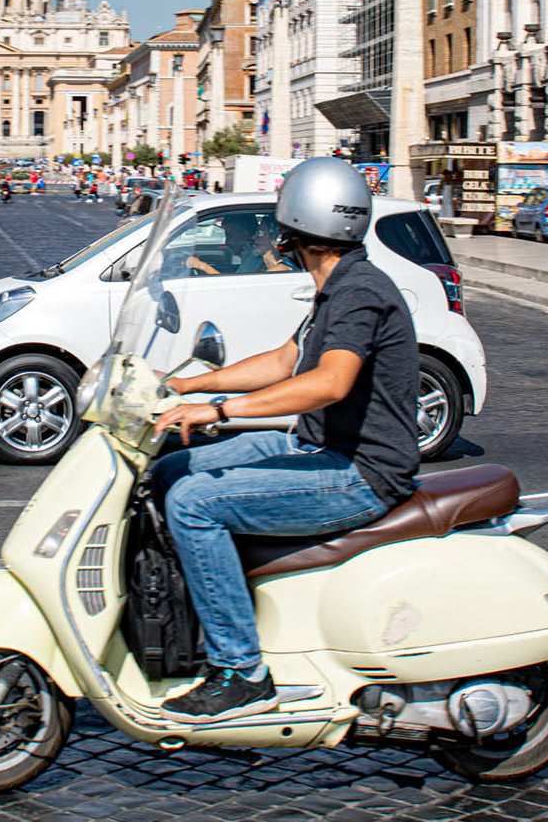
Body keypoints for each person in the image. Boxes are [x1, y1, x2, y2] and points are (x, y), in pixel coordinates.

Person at [148, 158, 419, 723]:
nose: (276, 235)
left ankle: (242, 672)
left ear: (300, 226)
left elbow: (328, 381)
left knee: (194, 505)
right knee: (172, 470)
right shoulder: (336, 286)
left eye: (282, 223)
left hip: (359, 473)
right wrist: (186, 384)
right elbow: (285, 359)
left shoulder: (360, 291)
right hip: (314, 447)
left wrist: (220, 409)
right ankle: (187, 616)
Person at [185, 212, 289, 276]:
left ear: (275, 239)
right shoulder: (262, 266)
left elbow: (240, 292)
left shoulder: (279, 271)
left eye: (260, 234)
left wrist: (202, 266)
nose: (254, 238)